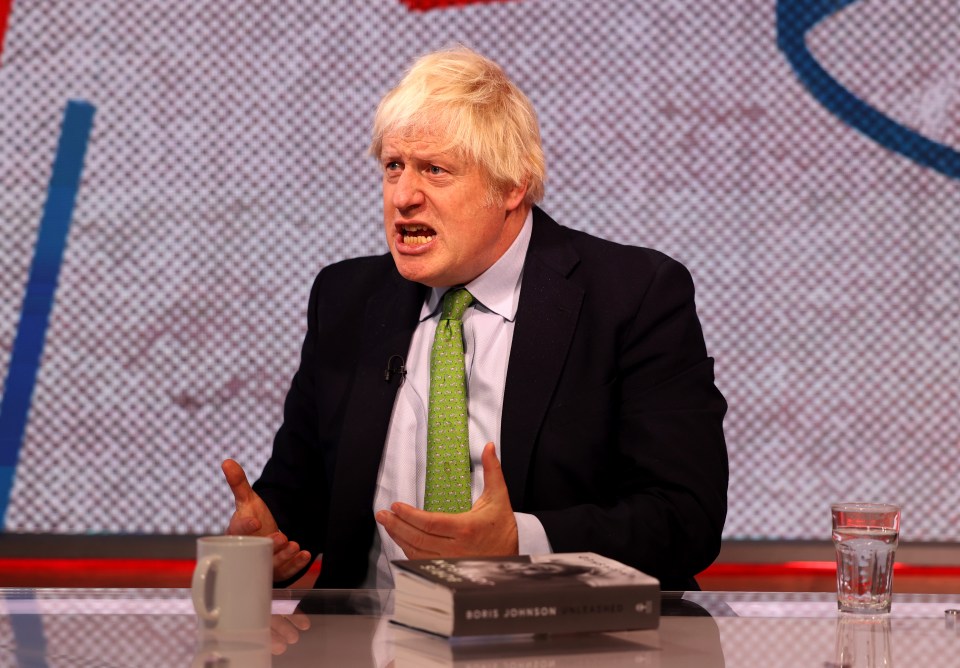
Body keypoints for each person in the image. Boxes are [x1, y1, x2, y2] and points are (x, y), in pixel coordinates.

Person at [221, 46, 728, 591]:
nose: (404, 197)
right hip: (372, 640)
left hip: (563, 640)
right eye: (394, 167)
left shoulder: (633, 296)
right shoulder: (345, 297)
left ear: (512, 186)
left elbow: (684, 519)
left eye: (435, 170)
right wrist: (271, 537)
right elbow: (305, 492)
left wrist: (520, 542)